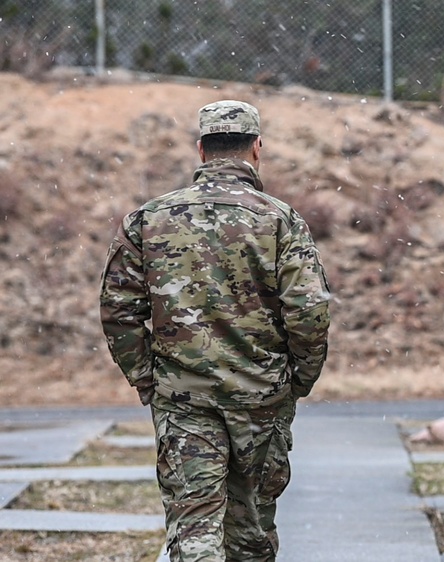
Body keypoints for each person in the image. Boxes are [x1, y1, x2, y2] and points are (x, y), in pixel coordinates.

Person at [99, 100, 331, 561]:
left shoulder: (148, 219)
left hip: (184, 400)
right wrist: (297, 380)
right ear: (257, 148)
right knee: (251, 531)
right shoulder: (279, 219)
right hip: (260, 398)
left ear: (201, 150)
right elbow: (308, 311)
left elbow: (118, 309)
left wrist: (149, 378)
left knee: (195, 527)